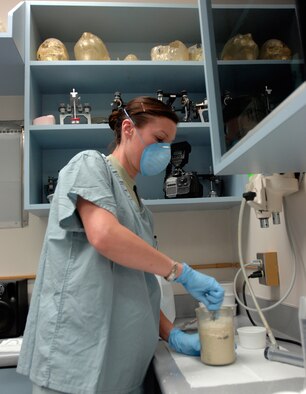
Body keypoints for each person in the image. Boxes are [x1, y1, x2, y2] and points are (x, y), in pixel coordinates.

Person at [17, 96, 224, 394]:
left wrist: (171, 334)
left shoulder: (142, 210)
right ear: (128, 129)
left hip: (122, 368)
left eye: (170, 143)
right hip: (76, 362)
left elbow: (141, 285)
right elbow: (104, 235)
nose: (165, 151)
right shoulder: (89, 165)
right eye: (159, 139)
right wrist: (179, 272)